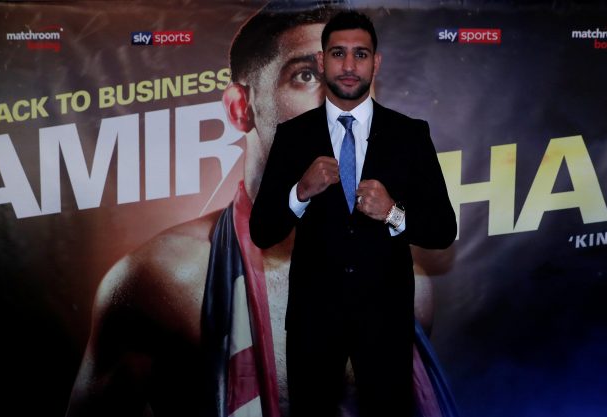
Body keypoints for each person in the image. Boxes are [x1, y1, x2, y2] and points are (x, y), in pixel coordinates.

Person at [66, 4, 456, 417]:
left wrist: (393, 214)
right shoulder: (167, 280)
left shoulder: (412, 286)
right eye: (307, 75)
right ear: (241, 107)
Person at [249, 10, 457, 417]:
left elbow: (442, 229)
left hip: (385, 322)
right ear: (322, 60)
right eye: (338, 53)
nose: (348, 65)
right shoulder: (293, 137)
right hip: (314, 322)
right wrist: (300, 192)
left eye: (360, 54)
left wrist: (393, 212)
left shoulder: (409, 134)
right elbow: (262, 230)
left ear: (375, 63)